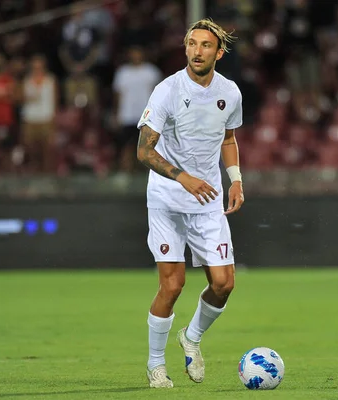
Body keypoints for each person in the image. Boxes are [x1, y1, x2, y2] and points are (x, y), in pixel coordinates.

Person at [136, 19, 244, 388]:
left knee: (224, 283)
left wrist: (236, 180)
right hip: (167, 197)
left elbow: (228, 138)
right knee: (173, 285)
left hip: (208, 197)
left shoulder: (230, 92)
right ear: (185, 48)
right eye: (192, 44)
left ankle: (192, 337)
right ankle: (155, 366)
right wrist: (183, 177)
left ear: (219, 52)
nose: (197, 51)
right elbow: (143, 150)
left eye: (205, 45)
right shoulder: (167, 90)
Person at [112, 46, 162, 172]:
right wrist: (117, 114)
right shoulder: (123, 72)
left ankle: (148, 175)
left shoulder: (151, 71)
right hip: (127, 115)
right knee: (126, 146)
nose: (136, 55)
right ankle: (125, 173)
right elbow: (118, 95)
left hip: (147, 116)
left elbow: (159, 95)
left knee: (147, 147)